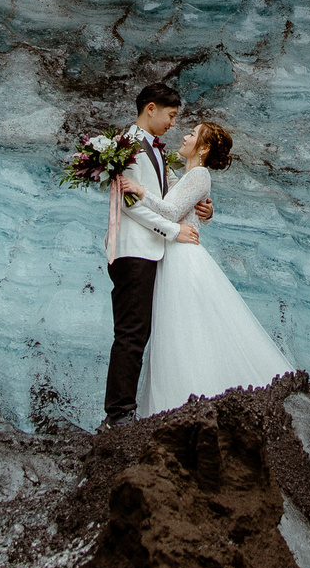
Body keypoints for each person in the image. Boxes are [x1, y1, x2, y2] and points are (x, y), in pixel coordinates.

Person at [119, 120, 291, 417]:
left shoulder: (198, 174)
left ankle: (187, 400)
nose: (184, 135)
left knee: (185, 330)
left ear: (204, 147)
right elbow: (182, 203)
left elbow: (171, 211)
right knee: (181, 330)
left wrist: (139, 190)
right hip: (175, 254)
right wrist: (207, 212)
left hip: (183, 257)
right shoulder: (187, 175)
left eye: (192, 133)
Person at [100, 82, 210, 423]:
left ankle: (124, 411)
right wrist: (175, 231)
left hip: (149, 252)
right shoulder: (128, 145)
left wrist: (204, 208)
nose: (174, 124)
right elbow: (129, 203)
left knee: (139, 332)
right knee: (131, 333)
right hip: (133, 251)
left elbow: (171, 195)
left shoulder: (154, 148)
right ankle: (119, 415)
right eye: (171, 115)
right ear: (151, 109)